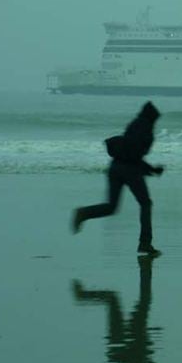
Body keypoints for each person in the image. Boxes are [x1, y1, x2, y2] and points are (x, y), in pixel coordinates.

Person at [73, 101, 165, 255]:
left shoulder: (134, 125)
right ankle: (145, 243)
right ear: (152, 117)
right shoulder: (144, 128)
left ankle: (83, 213)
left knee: (111, 207)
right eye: (155, 118)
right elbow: (134, 155)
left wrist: (149, 169)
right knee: (145, 204)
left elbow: (130, 150)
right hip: (130, 170)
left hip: (115, 168)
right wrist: (151, 169)